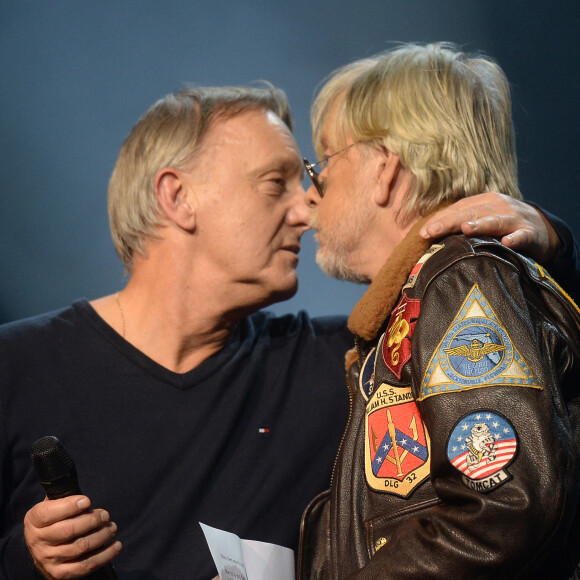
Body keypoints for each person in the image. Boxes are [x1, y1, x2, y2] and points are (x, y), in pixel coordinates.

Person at [0, 85, 576, 580]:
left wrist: (551, 244)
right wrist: (25, 559)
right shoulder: (17, 366)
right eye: (275, 182)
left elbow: (532, 381)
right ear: (178, 197)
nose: (308, 207)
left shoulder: (345, 365)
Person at [298, 43, 580, 579]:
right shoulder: (434, 293)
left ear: (384, 168)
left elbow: (501, 509)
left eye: (324, 163)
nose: (311, 195)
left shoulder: (459, 281)